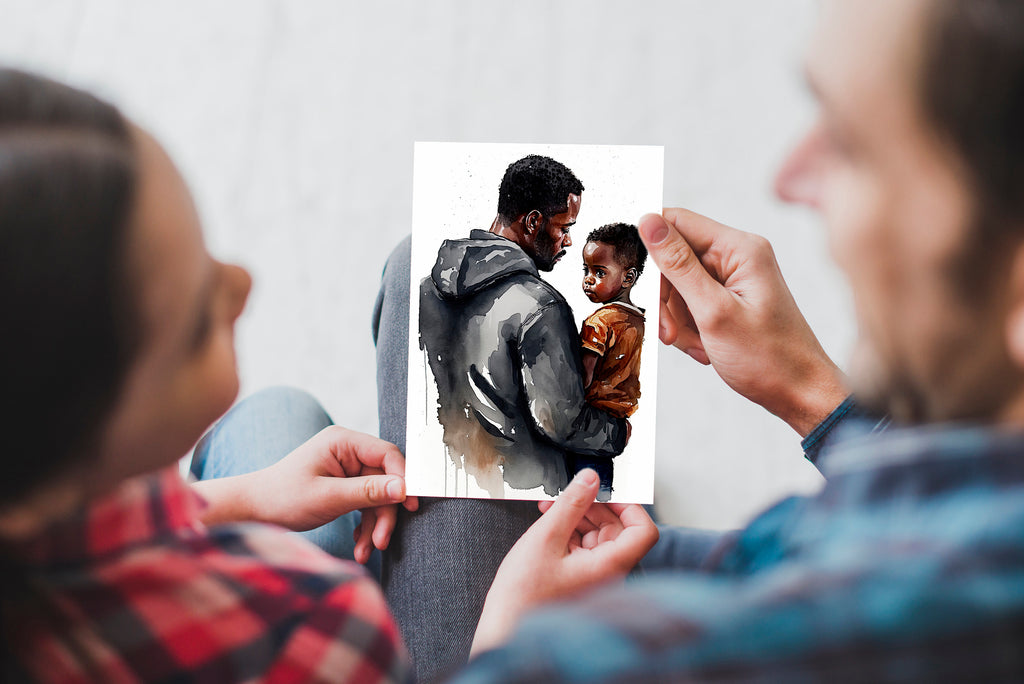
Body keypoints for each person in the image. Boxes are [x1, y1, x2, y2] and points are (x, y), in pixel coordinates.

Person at [381, 0, 1024, 680]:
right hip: (553, 475)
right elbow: (801, 543)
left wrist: (506, 643)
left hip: (502, 498)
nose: (788, 180)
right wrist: (814, 398)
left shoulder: (572, 661)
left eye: (852, 143)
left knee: (393, 282)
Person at [0, 68, 418, 683]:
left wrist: (252, 495)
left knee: (282, 411)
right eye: (198, 322)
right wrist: (509, 639)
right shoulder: (317, 626)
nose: (243, 281)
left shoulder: (33, 491)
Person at [418, 154, 627, 497]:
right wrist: (618, 433)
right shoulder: (540, 304)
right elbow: (560, 424)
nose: (569, 241)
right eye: (565, 228)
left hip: (444, 482)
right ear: (533, 222)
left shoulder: (427, 289)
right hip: (527, 496)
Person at [569, 222, 649, 500]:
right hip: (615, 426)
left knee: (579, 497)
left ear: (628, 278)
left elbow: (584, 375)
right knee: (601, 496)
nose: (588, 279)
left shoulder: (599, 321)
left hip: (590, 427)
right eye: (586, 270)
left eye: (599, 272)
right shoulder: (638, 319)